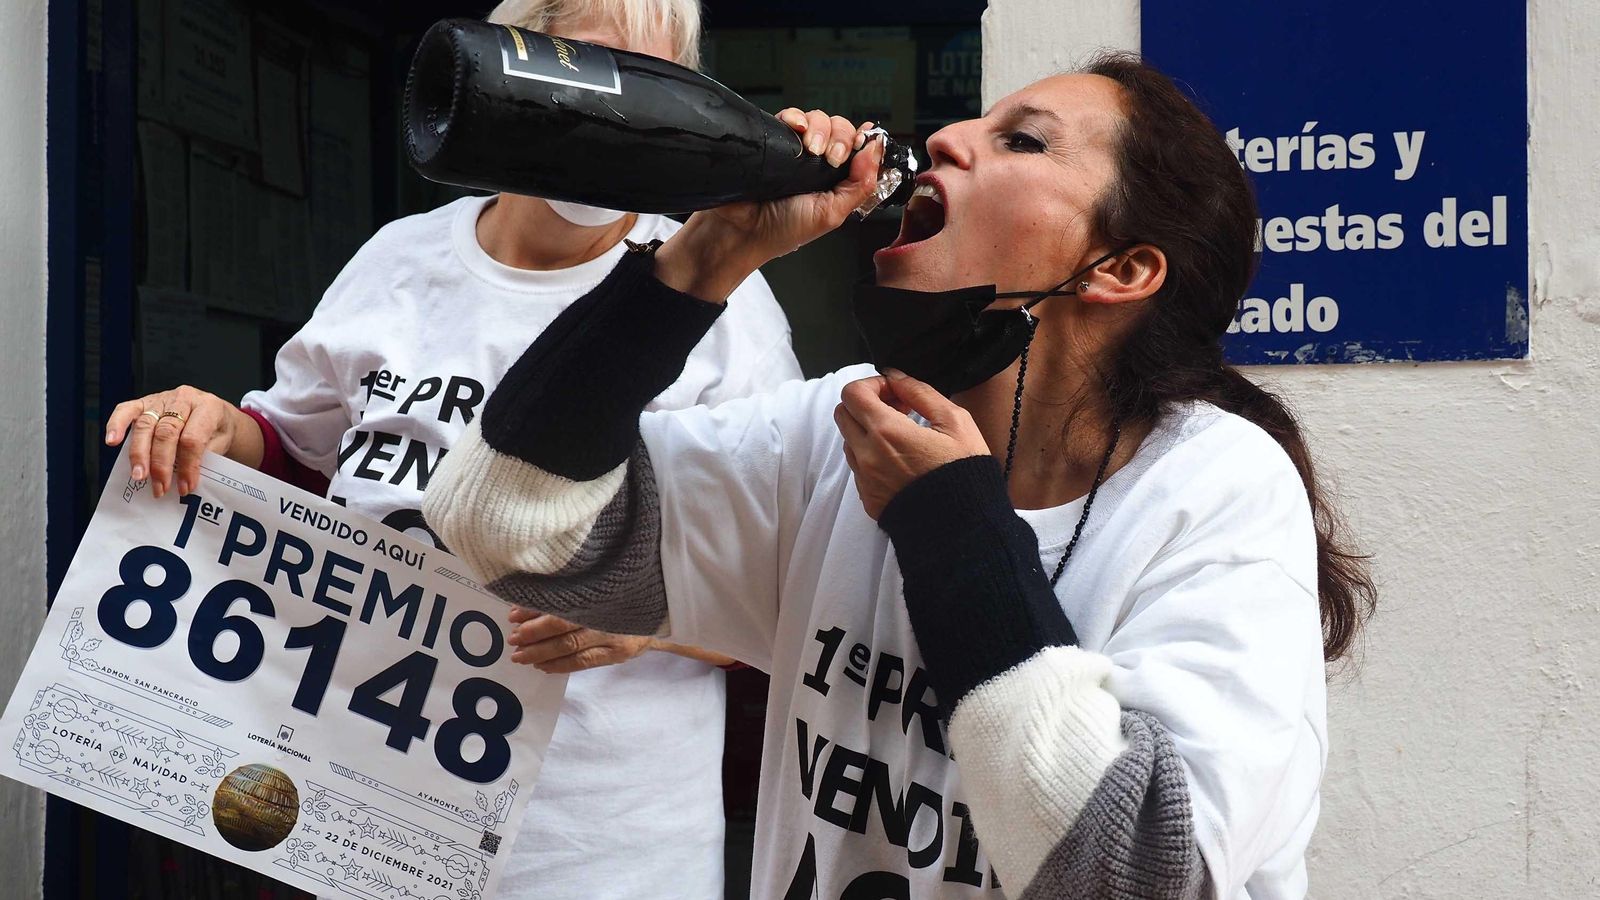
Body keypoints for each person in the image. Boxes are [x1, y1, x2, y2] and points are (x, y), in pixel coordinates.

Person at [423, 53, 1377, 899]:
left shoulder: (1215, 488)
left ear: (1120, 269)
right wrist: (706, 256)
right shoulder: (839, 421)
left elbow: (1125, 870)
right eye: (976, 122)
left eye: (1024, 143)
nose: (953, 137)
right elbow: (507, 526)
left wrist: (952, 526)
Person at [104, 2, 801, 897]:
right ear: (514, 73)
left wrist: (644, 613)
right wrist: (204, 424)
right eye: (587, 77)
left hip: (600, 846)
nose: (613, 120)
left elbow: (782, 577)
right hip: (359, 805)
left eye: (650, 90)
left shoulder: (724, 296)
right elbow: (291, 454)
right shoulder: (400, 259)